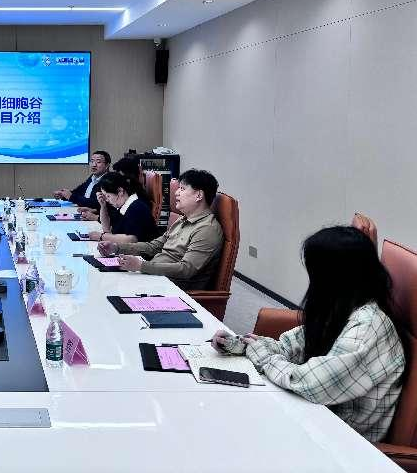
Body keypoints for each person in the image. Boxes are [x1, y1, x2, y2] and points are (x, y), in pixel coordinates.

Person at [212, 226, 404, 442]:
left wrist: (262, 356)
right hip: (317, 419)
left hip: (344, 441)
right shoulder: (340, 308)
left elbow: (311, 384)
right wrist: (243, 344)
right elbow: (290, 345)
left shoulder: (368, 327)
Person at [98, 169, 223, 290]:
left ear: (199, 195)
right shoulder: (182, 220)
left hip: (170, 289)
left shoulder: (207, 229)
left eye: (182, 189)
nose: (176, 193)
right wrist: (116, 248)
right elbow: (154, 247)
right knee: (101, 277)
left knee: (106, 287)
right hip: (154, 277)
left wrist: (141, 266)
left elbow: (186, 269)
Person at [87, 172, 157, 244]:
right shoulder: (122, 208)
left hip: (142, 250)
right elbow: (107, 230)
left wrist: (101, 237)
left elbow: (132, 239)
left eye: (108, 196)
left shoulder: (136, 208)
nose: (107, 200)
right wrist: (103, 206)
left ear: (120, 191)